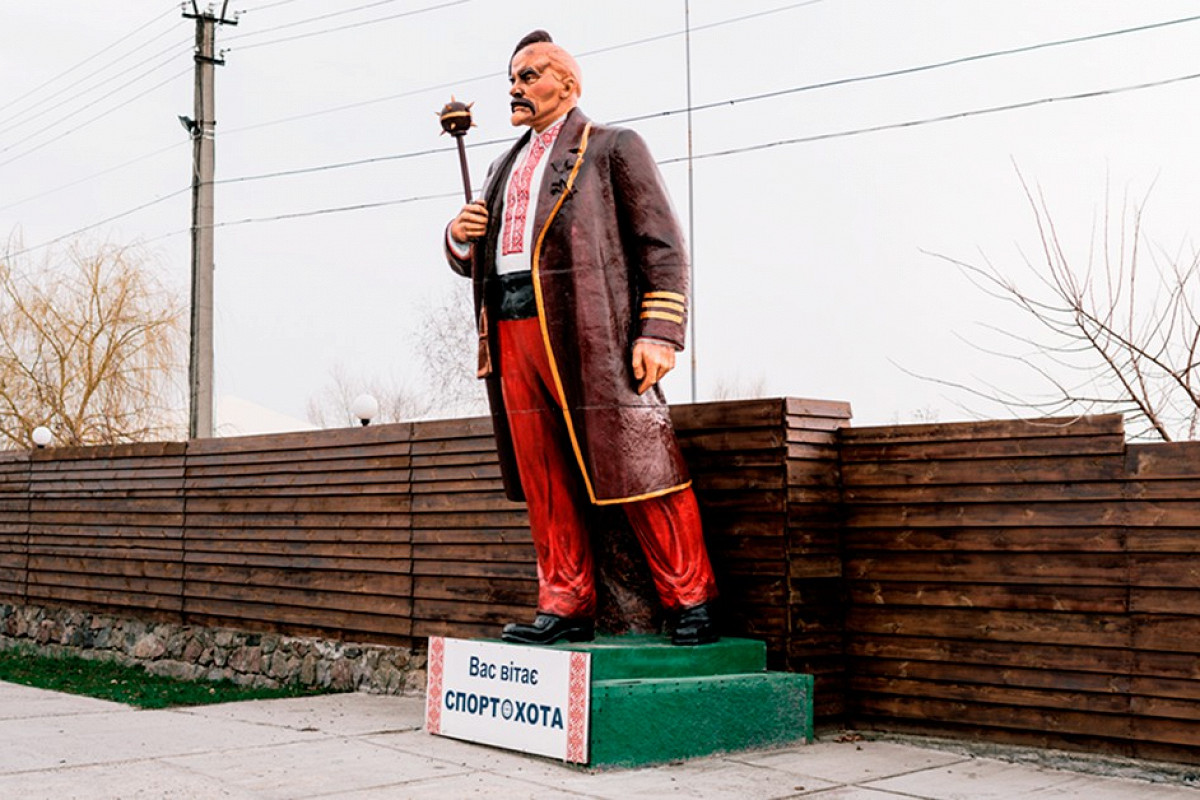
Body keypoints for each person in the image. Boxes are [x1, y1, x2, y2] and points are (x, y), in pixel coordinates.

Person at [444, 30, 718, 646]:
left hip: (593, 333)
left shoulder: (613, 147)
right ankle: (565, 600)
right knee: (544, 474)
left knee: (639, 462)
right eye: (512, 79)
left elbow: (662, 244)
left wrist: (659, 331)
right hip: (512, 330)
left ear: (567, 84)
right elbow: (480, 259)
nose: (515, 88)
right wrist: (461, 236)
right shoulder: (499, 167)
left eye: (529, 75)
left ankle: (690, 597)